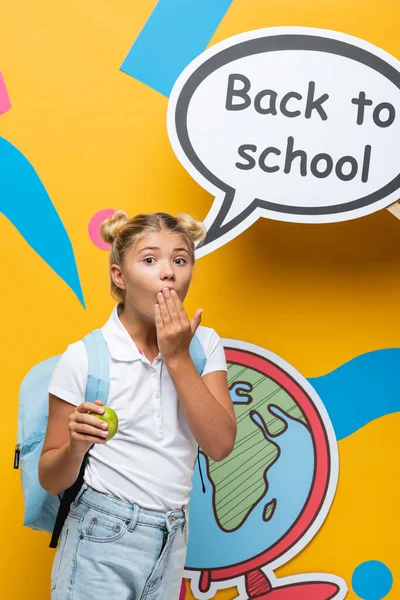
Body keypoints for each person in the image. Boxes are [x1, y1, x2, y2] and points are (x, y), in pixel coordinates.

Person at [38, 210, 237, 600]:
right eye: (149, 260)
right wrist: (76, 445)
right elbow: (50, 478)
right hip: (100, 531)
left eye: (180, 260)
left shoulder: (203, 345)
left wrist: (177, 357)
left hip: (173, 536)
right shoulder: (85, 357)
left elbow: (220, 445)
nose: (168, 273)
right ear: (119, 276)